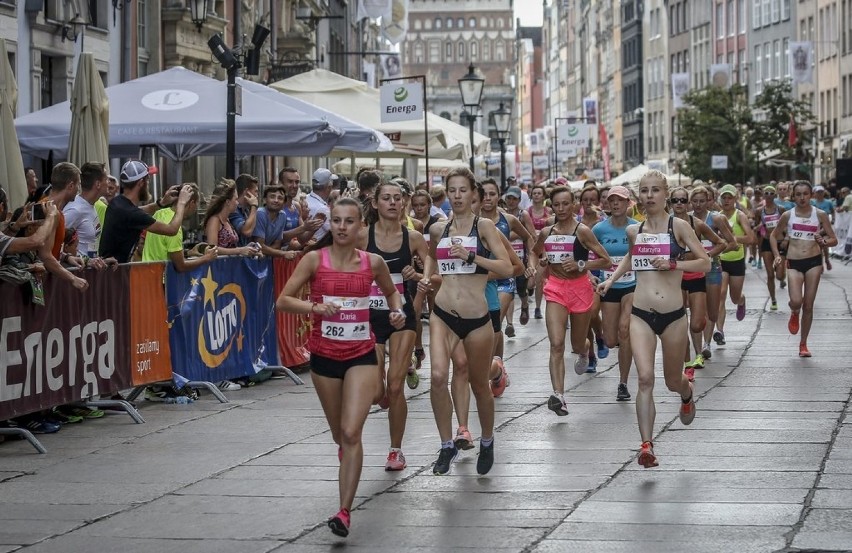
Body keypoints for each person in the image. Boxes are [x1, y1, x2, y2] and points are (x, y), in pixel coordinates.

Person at [276, 197, 405, 538]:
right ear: (330, 224)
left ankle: (344, 511)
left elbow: (393, 294)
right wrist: (315, 309)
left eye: (350, 221)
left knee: (351, 432)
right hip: (323, 359)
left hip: (361, 354)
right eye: (337, 221)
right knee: (339, 433)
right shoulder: (313, 260)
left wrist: (397, 312)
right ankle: (347, 451)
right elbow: (283, 301)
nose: (343, 227)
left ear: (361, 225)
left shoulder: (373, 262)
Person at [598, 170, 710, 468]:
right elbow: (631, 257)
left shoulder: (680, 226)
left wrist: (674, 263)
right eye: (644, 191)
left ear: (665, 194)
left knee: (673, 381)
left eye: (655, 190)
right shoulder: (635, 231)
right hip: (641, 313)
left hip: (673, 315)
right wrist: (611, 281)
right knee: (645, 378)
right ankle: (646, 444)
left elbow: (706, 262)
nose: (649, 196)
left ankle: (686, 394)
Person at [418, 166, 513, 476]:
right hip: (443, 313)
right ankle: (446, 445)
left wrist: (472, 258)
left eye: (463, 190)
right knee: (436, 377)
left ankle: (487, 440)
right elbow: (432, 255)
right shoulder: (438, 229)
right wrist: (426, 277)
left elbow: (508, 266)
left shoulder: (484, 227)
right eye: (452, 190)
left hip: (476, 317)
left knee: (479, 385)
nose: (457, 196)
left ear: (474, 194)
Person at [358, 180, 429, 471]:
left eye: (397, 198)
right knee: (377, 393)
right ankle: (384, 387)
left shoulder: (414, 237)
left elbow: (431, 276)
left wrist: (418, 273)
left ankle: (396, 450)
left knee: (396, 386)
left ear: (403, 203)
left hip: (402, 317)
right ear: (375, 204)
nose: (391, 202)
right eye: (385, 198)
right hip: (371, 318)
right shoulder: (362, 236)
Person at [532, 186, 610, 415]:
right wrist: (538, 263)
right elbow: (535, 252)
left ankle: (586, 350)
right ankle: (559, 395)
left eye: (566, 204)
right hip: (555, 287)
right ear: (551, 206)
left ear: (573, 204)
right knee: (556, 344)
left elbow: (605, 260)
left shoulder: (583, 231)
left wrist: (581, 265)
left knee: (577, 344)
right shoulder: (547, 232)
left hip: (580, 289)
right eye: (557, 204)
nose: (561, 208)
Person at [770, 181, 837, 357]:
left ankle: (803, 344)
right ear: (794, 196)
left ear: (811, 195)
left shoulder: (820, 214)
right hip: (794, 262)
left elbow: (833, 239)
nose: (802, 197)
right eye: (798, 194)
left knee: (808, 305)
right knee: (796, 301)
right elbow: (773, 235)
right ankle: (793, 311)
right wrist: (777, 255)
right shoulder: (787, 215)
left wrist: (824, 241)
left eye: (805, 194)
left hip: (814, 262)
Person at [669, 186, 726, 382]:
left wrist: (706, 255)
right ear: (670, 203)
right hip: (674, 278)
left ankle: (699, 349)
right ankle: (690, 361)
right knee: (680, 322)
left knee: (696, 323)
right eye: (674, 200)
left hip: (696, 276)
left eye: (682, 200)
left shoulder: (697, 223)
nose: (678, 204)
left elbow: (722, 243)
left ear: (688, 203)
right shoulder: (664, 223)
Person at [592, 185, 638, 401]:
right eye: (612, 200)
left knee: (624, 330)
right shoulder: (599, 230)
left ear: (629, 203)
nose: (616, 204)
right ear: (607, 205)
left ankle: (623, 382)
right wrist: (590, 274)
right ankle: (601, 338)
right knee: (611, 340)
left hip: (632, 285)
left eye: (620, 200)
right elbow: (585, 253)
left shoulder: (638, 228)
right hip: (608, 287)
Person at [100, 160, 193, 264]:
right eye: (147, 181)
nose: (148, 185)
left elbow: (139, 211)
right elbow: (172, 230)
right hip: (113, 273)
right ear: (141, 183)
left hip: (110, 270)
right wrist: (181, 203)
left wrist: (161, 203)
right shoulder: (131, 213)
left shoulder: (118, 203)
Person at [689, 184, 736, 357]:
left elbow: (732, 243)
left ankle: (707, 343)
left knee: (712, 310)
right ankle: (702, 347)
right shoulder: (685, 220)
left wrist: (710, 253)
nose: (698, 204)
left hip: (713, 267)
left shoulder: (716, 219)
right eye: (695, 201)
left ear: (709, 201)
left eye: (702, 201)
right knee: (695, 310)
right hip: (692, 269)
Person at [714, 184, 755, 346]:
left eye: (729, 197)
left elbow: (750, 238)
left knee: (734, 297)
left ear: (735, 199)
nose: (726, 200)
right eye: (723, 197)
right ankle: (720, 331)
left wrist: (732, 239)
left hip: (737, 261)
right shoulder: (717, 217)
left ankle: (741, 301)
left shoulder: (740, 216)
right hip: (721, 260)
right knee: (721, 295)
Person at [754, 185, 786, 311]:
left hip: (780, 242)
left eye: (771, 193)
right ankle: (773, 300)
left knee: (779, 275)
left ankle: (783, 274)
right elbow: (758, 225)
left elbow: (787, 225)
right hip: (767, 242)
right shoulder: (759, 211)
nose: (768, 195)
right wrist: (758, 228)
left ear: (775, 195)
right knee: (770, 274)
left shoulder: (781, 209)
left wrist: (787, 238)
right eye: (766, 193)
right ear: (763, 195)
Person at [526, 184, 553, 319]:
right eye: (534, 193)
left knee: (540, 280)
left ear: (543, 196)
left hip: (546, 249)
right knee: (531, 282)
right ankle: (529, 289)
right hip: (532, 249)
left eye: (539, 193)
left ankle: (537, 308)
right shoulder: (527, 212)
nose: (536, 195)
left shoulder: (549, 213)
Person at [228, 173, 260, 246]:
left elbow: (251, 231)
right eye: (255, 191)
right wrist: (254, 206)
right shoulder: (234, 210)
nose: (257, 195)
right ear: (247, 192)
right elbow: (246, 231)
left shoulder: (247, 210)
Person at [307, 169, 335, 242]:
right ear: (329, 187)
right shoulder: (322, 208)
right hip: (317, 248)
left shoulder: (305, 199)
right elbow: (335, 231)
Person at [810, 185, 835, 270]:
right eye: (818, 192)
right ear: (815, 193)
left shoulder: (828, 202)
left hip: (825, 227)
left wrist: (833, 219)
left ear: (824, 192)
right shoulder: (812, 202)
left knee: (825, 244)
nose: (820, 194)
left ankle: (827, 260)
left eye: (821, 192)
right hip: (816, 226)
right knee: (818, 247)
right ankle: (820, 264)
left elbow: (832, 211)